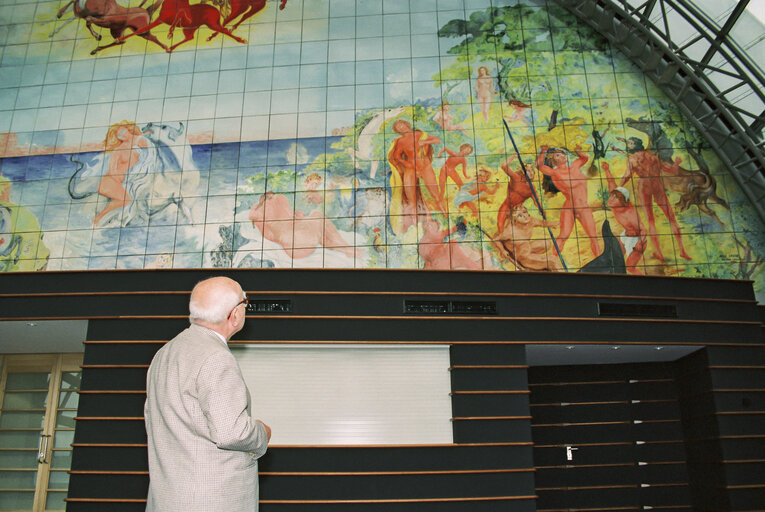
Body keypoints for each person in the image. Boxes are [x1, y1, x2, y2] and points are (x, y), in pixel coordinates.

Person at [145, 277, 272, 512]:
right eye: (246, 302)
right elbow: (231, 433)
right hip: (212, 501)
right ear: (234, 314)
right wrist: (262, 433)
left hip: (167, 500)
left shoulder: (163, 355)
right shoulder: (216, 357)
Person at [616, 136, 691, 261]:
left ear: (636, 145)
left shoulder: (632, 159)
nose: (628, 145)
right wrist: (677, 162)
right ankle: (682, 251)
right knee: (671, 218)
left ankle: (659, 254)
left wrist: (618, 187)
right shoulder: (653, 157)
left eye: (630, 143)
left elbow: (627, 176)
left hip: (644, 186)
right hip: (657, 185)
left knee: (651, 221)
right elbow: (672, 170)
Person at [536, 145, 600, 258]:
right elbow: (539, 166)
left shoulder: (575, 166)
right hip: (569, 208)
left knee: (593, 236)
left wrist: (578, 151)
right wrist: (543, 151)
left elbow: (584, 158)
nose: (562, 156)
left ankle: (600, 260)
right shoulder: (555, 173)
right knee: (563, 235)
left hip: (583, 207)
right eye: (557, 155)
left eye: (562, 153)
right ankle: (553, 259)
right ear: (553, 160)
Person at [388, 119, 442, 233]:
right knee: (411, 200)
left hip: (425, 166)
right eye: (398, 127)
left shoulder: (420, 134)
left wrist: (423, 142)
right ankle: (414, 222)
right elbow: (396, 156)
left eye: (402, 124)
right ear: (397, 131)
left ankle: (444, 213)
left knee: (436, 195)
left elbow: (437, 140)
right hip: (411, 168)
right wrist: (407, 164)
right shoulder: (400, 141)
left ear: (407, 124)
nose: (401, 127)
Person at [93, 122, 147, 225]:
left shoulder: (140, 140)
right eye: (119, 135)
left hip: (127, 181)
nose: (122, 135)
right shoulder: (119, 150)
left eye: (122, 131)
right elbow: (112, 170)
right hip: (110, 181)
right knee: (125, 199)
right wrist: (122, 179)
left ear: (127, 128)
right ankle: (98, 218)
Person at [602, 161, 647, 274]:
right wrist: (607, 170)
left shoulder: (630, 214)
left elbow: (643, 229)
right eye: (612, 195)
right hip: (625, 235)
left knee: (630, 268)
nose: (611, 198)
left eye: (615, 197)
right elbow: (611, 182)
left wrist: (639, 243)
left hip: (637, 239)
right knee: (615, 261)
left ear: (623, 202)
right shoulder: (614, 206)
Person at [497, 153, 535, 232]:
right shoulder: (516, 177)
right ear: (523, 172)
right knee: (500, 227)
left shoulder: (532, 187)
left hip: (518, 211)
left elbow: (536, 200)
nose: (531, 173)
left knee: (516, 230)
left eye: (532, 171)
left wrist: (541, 210)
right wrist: (513, 156)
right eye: (528, 171)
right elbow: (504, 166)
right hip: (506, 207)